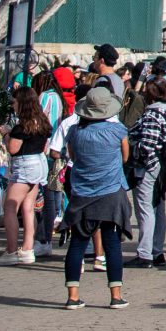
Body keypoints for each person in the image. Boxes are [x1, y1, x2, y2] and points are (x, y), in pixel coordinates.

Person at [61, 85, 132, 309]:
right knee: (111, 243)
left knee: (78, 243)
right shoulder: (117, 131)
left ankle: (73, 296)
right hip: (111, 192)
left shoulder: (75, 132)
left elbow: (72, 157)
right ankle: (116, 295)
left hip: (82, 193)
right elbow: (124, 157)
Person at [124, 76, 166, 268]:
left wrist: (134, 152)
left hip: (148, 168)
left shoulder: (151, 115)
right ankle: (157, 250)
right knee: (158, 208)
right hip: (163, 167)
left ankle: (145, 253)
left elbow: (147, 146)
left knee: (145, 209)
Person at [0, 86, 52, 265]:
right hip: (39, 162)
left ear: (22, 103)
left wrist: (6, 134)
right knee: (28, 207)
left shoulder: (22, 127)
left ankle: (11, 251)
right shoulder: (42, 122)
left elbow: (13, 149)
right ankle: (28, 248)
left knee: (10, 207)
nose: (13, 105)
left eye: (15, 102)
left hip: (25, 165)